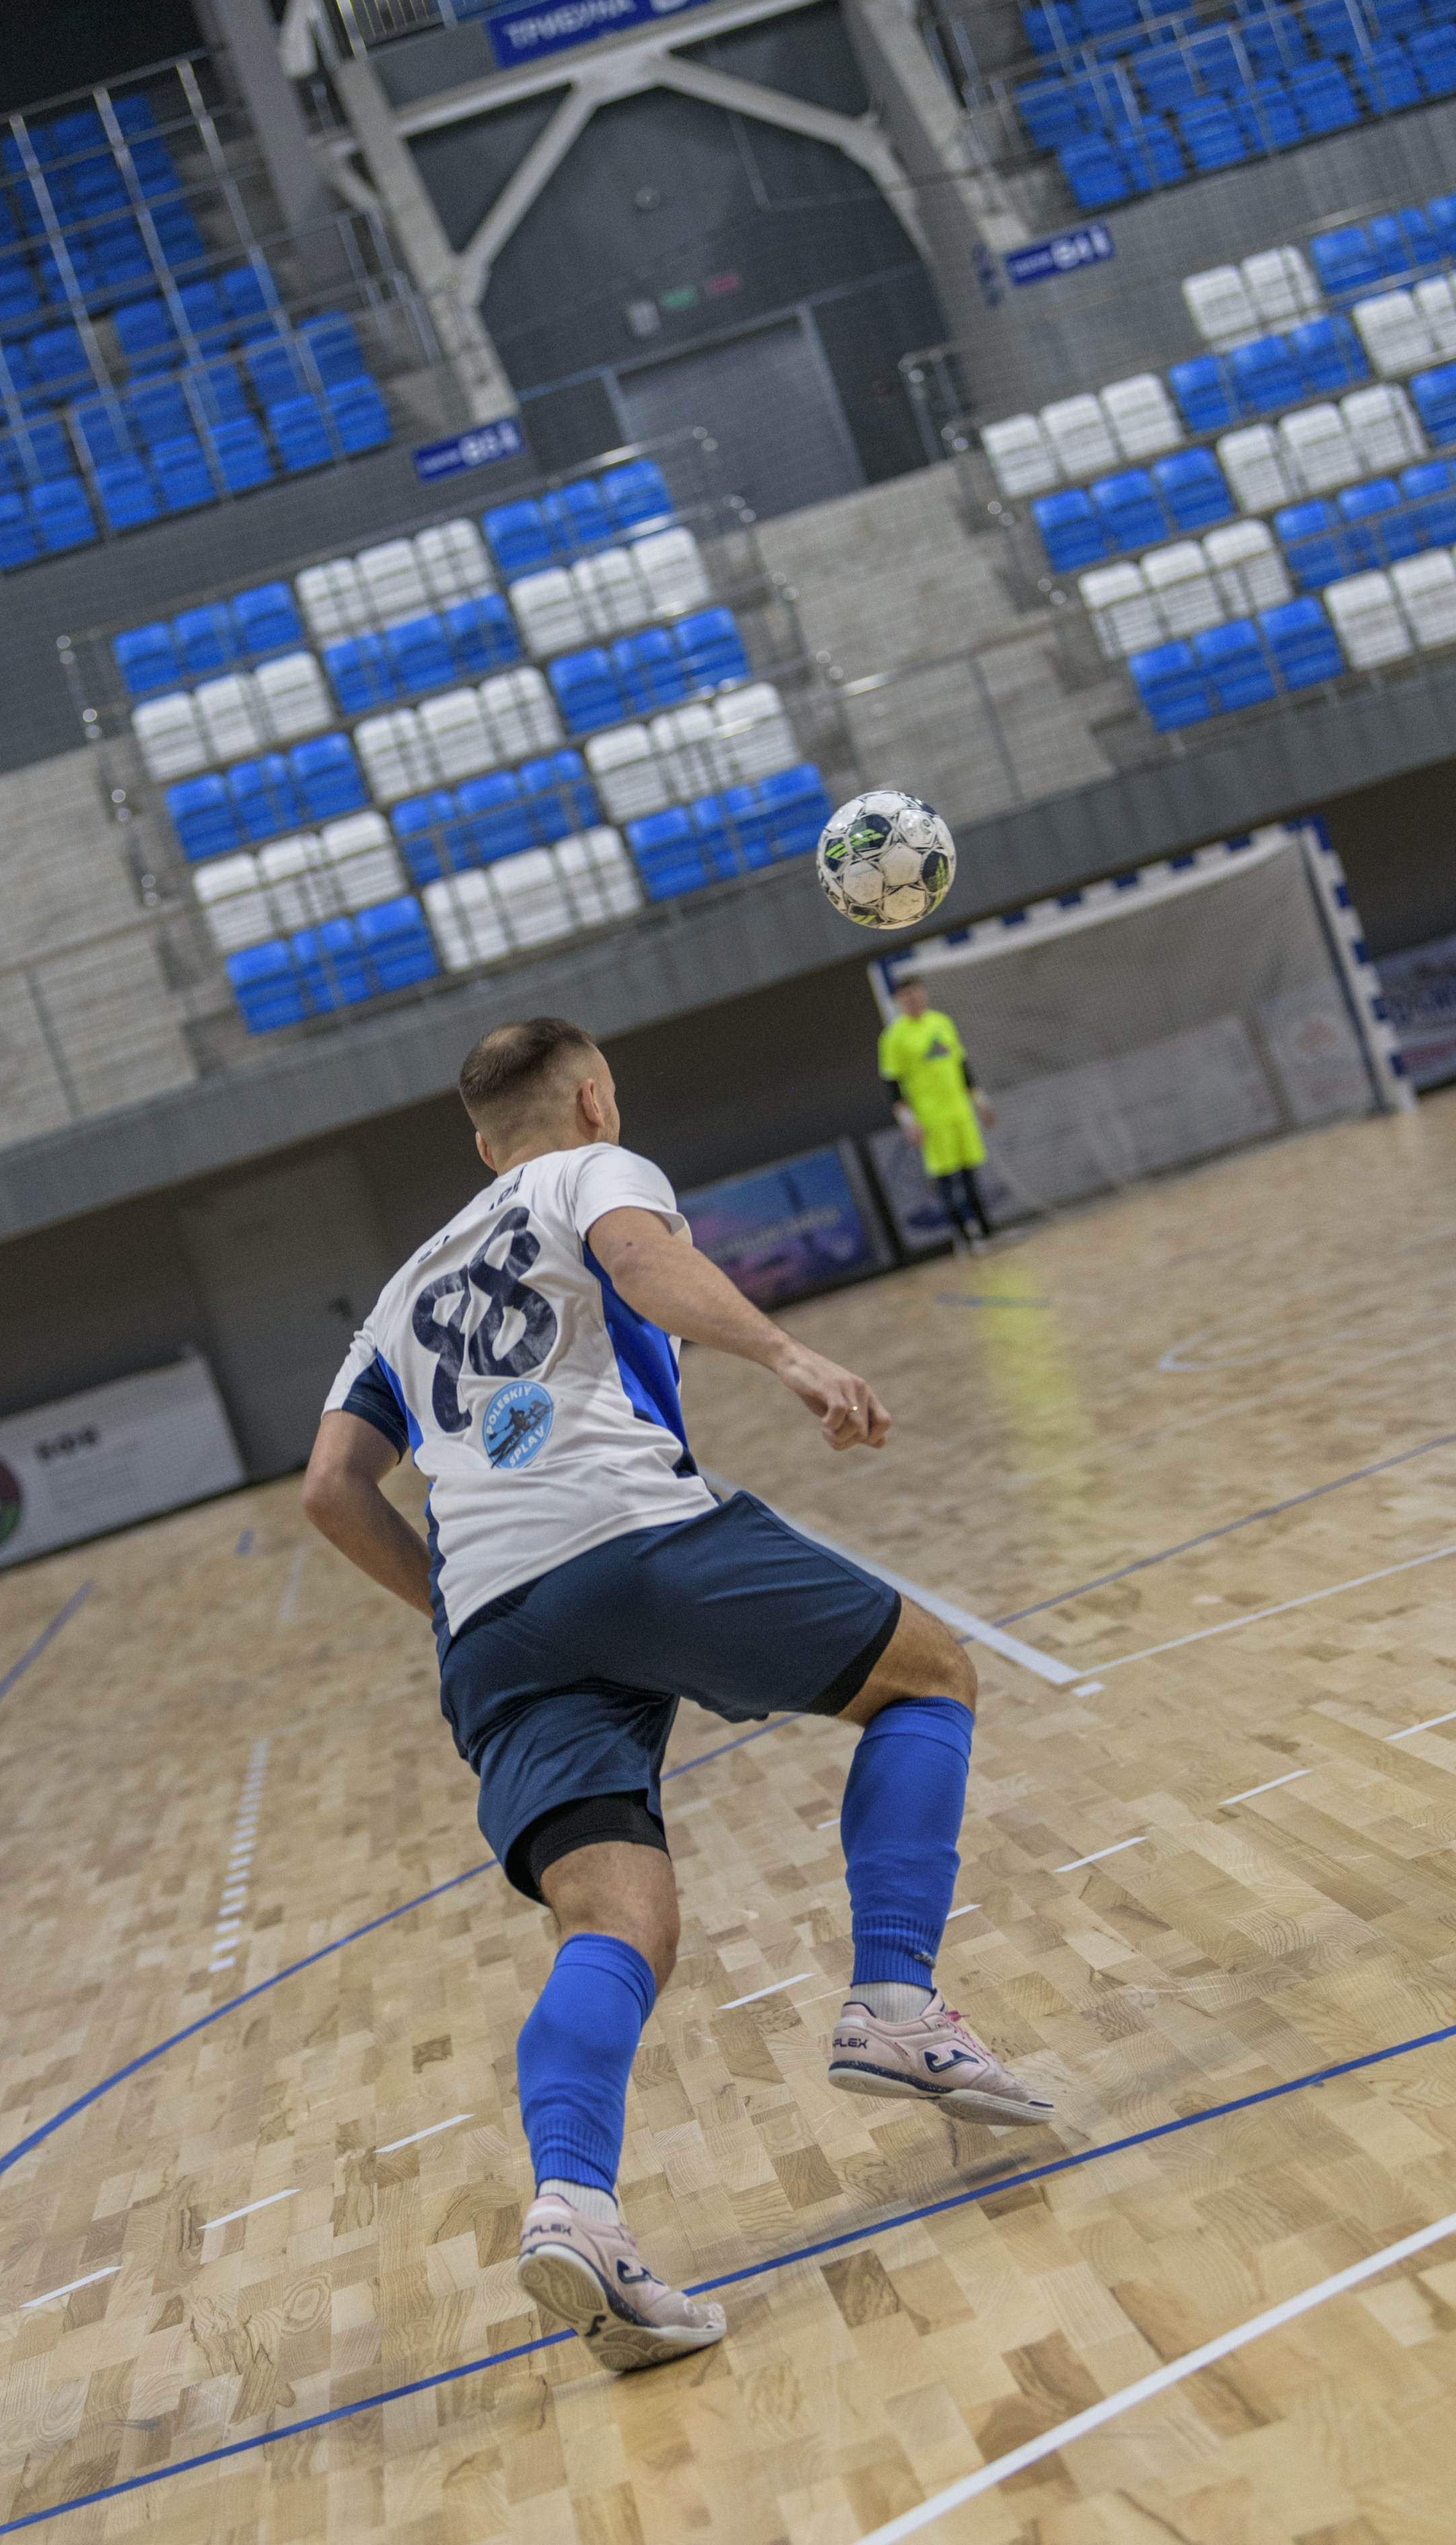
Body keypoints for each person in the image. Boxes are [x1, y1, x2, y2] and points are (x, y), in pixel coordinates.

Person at [303, 1017, 1053, 2376]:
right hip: (619, 1529)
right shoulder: (589, 1171)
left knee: (612, 1924)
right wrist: (791, 1361)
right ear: (590, 1099)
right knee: (927, 1675)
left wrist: (457, 1604)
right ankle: (892, 2001)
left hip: (493, 1627)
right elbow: (644, 1266)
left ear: (479, 1144)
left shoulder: (400, 1289)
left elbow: (329, 1490)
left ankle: (576, 2211)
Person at [879, 976, 996, 1246]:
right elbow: (893, 1086)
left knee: (971, 1174)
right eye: (906, 996)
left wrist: (981, 1103)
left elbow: (962, 1067)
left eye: (916, 993)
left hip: (960, 1111)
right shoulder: (894, 1038)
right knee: (946, 1180)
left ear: (924, 994)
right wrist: (909, 1122)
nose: (913, 1000)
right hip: (931, 1118)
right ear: (898, 1002)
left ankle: (988, 1232)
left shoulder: (942, 1023)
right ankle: (965, 1238)